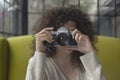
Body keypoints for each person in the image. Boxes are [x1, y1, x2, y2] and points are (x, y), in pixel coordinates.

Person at [25, 7, 105, 80]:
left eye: (71, 32)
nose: (66, 39)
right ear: (51, 34)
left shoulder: (86, 63)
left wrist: (89, 52)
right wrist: (39, 52)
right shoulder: (42, 63)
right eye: (62, 34)